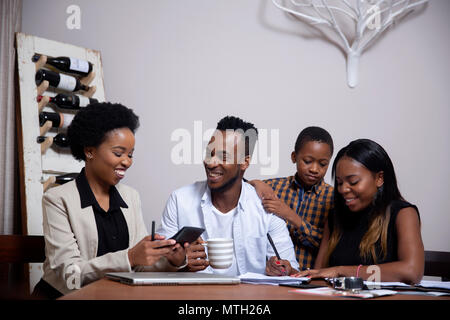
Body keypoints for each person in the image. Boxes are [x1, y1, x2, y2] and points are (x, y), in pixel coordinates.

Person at [33, 102, 187, 299]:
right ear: (89, 151)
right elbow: (69, 275)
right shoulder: (57, 200)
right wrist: (130, 257)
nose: (127, 161)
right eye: (118, 153)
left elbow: (138, 270)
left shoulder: (131, 197)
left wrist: (172, 261)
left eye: (130, 154)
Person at [158, 116, 299, 276]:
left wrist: (282, 269)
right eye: (208, 153)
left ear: (245, 163)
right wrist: (180, 263)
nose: (211, 163)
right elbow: (155, 265)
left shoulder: (265, 206)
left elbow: (292, 271)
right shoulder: (180, 200)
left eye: (223, 156)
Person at [294, 139, 424, 284]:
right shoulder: (335, 218)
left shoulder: (403, 214)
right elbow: (319, 274)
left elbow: (412, 272)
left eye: (353, 181)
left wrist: (341, 271)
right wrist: (291, 273)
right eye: (339, 182)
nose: (343, 189)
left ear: (379, 178)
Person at [248, 127, 334, 270]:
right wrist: (255, 182)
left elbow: (330, 246)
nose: (314, 169)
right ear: (294, 157)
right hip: (273, 277)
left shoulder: (333, 198)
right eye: (307, 161)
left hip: (312, 281)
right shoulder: (273, 187)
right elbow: (241, 192)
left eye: (323, 164)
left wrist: (289, 215)